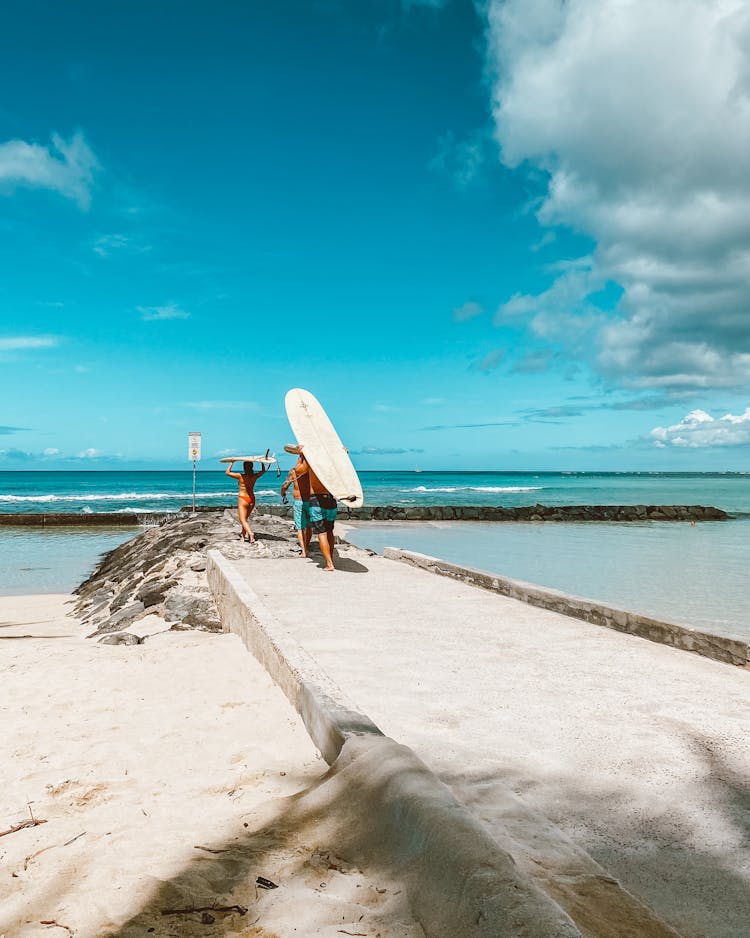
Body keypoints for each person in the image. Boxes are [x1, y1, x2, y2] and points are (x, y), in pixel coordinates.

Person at [225, 459, 267, 543]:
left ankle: (251, 534)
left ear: (244, 468)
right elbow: (263, 471)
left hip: (243, 498)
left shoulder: (240, 476)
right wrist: (261, 462)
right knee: (245, 519)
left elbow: (227, 472)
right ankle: (243, 536)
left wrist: (232, 462)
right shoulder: (254, 476)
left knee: (242, 520)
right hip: (251, 498)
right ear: (252, 467)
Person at [280, 448, 312, 557]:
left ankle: (303, 551)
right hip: (310, 501)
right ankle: (307, 547)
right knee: (308, 527)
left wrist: (283, 493)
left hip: (299, 501)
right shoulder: (312, 472)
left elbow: (285, 486)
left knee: (300, 527)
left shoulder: (293, 472)